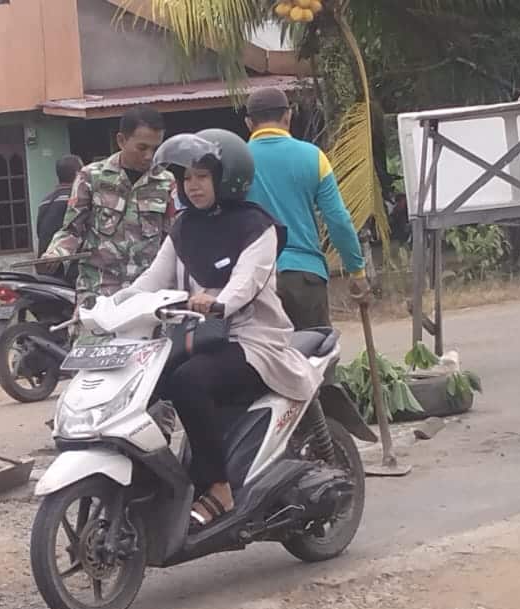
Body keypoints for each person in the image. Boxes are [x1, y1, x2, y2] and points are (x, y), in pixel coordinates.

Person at [129, 130, 317, 528]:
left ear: (226, 178)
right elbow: (153, 278)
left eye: (201, 176)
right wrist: (111, 305)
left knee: (188, 383)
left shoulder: (256, 227)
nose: (191, 186)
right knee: (142, 382)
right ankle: (152, 482)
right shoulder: (183, 228)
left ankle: (218, 488)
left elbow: (246, 282)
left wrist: (218, 301)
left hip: (253, 342)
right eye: (186, 178)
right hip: (201, 338)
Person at [244, 87, 370, 329]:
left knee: (263, 362)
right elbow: (338, 220)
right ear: (288, 116)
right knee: (315, 358)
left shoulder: (235, 162)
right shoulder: (313, 157)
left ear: (249, 123)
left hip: (254, 279)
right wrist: (357, 272)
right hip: (304, 276)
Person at [41, 107, 176, 301]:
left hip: (147, 293)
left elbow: (173, 238)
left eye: (156, 149)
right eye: (142, 148)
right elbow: (72, 230)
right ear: (121, 140)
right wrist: (56, 253)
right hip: (98, 289)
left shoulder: (166, 183)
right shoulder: (90, 177)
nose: (149, 156)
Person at [35, 154, 84, 274]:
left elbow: (39, 232)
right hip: (70, 272)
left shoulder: (45, 202)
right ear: (78, 174)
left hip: (46, 269)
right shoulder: (80, 200)